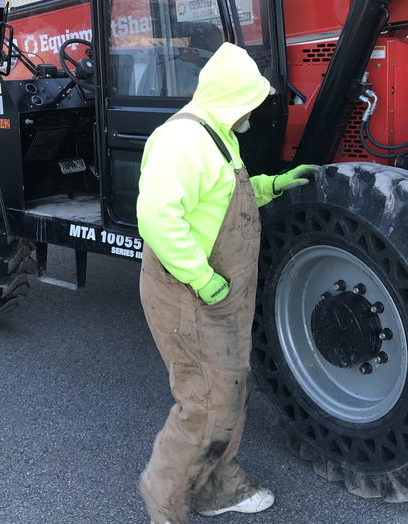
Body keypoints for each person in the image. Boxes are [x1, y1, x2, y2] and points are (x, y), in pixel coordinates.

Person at [136, 42, 319, 524]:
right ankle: (165, 499)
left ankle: (216, 485)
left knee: (230, 390)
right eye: (251, 104)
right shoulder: (183, 141)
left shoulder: (218, 136)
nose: (254, 115)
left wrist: (274, 185)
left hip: (219, 297)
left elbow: (221, 197)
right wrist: (202, 278)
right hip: (188, 295)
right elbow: (157, 218)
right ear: (232, 98)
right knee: (204, 403)